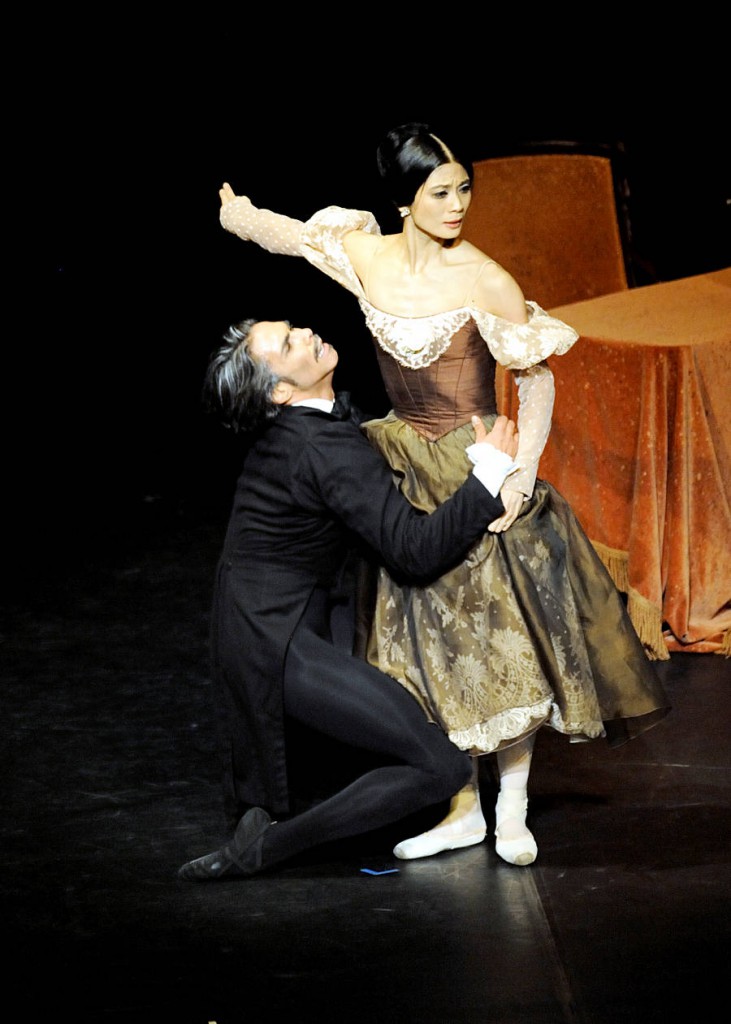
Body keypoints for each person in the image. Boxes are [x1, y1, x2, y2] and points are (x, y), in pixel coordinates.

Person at [217, 122, 671, 868]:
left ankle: (513, 806)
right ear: (403, 201)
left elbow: (536, 376)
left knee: (502, 636)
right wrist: (237, 216)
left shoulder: (484, 277)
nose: (457, 204)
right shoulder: (367, 253)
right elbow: (294, 236)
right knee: (427, 645)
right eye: (440, 192)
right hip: (399, 456)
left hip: (473, 456)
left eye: (463, 188)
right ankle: (461, 805)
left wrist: (519, 470)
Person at [178, 317, 521, 881]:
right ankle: (269, 847)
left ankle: (261, 828)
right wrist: (486, 478)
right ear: (280, 392)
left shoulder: (300, 431)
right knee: (439, 768)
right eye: (287, 343)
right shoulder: (319, 446)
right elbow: (412, 551)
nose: (306, 333)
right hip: (275, 639)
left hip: (268, 623)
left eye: (293, 327)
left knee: (403, 755)